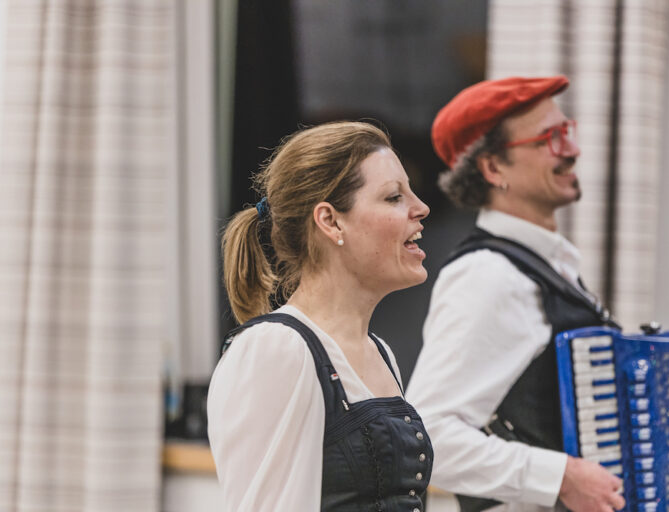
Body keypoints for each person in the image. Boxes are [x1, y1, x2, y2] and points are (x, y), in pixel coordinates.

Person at [405, 76, 626, 512]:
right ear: (494, 169)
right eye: (550, 138)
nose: (572, 149)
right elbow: (429, 439)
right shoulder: (489, 276)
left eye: (567, 131)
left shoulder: (549, 268)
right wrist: (561, 477)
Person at [207, 121, 433, 511]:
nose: (421, 208)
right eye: (394, 197)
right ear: (330, 221)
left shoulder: (378, 351)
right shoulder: (276, 349)